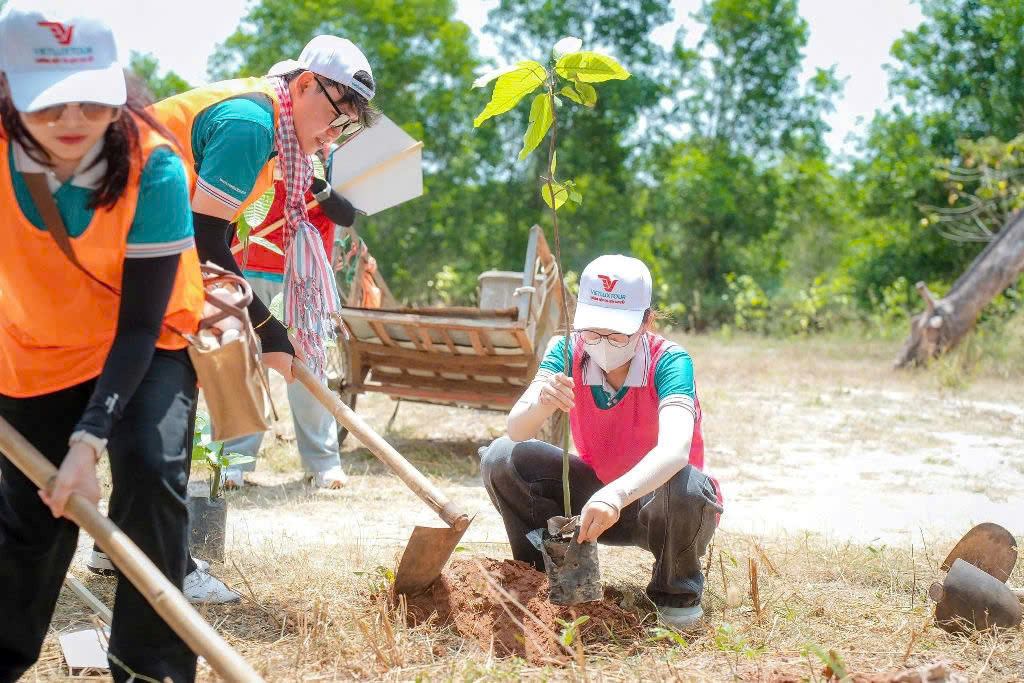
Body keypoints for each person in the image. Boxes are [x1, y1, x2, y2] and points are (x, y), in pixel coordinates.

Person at [88, 35, 379, 602]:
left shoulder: (272, 130)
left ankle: (116, 544)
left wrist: (266, 329)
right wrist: (269, 329)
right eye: (336, 112)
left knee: (147, 402)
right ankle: (165, 561)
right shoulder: (251, 125)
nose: (333, 132)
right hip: (120, 250)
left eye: (347, 123)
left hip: (138, 250)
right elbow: (204, 236)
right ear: (302, 85)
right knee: (164, 405)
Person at [0, 3, 205, 680]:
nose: (70, 122)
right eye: (48, 103)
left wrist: (89, 441)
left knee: (150, 467)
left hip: (146, 342)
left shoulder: (156, 168)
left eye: (91, 101)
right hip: (39, 346)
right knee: (33, 508)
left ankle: (153, 669)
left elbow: (140, 326)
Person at [479, 254, 723, 629]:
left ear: (646, 321)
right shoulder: (566, 352)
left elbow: (674, 451)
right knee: (502, 456)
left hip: (663, 507)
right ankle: (541, 579)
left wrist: (616, 495)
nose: (603, 343)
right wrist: (543, 401)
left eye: (617, 333)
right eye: (592, 331)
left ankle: (676, 594)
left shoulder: (670, 362)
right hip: (593, 505)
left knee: (687, 486)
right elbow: (517, 429)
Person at [223, 144, 357, 489]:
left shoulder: (336, 159)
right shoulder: (264, 146)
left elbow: (346, 215)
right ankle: (235, 462)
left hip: (304, 277)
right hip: (251, 267)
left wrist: (317, 183)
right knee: (245, 367)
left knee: (309, 368)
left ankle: (324, 463)